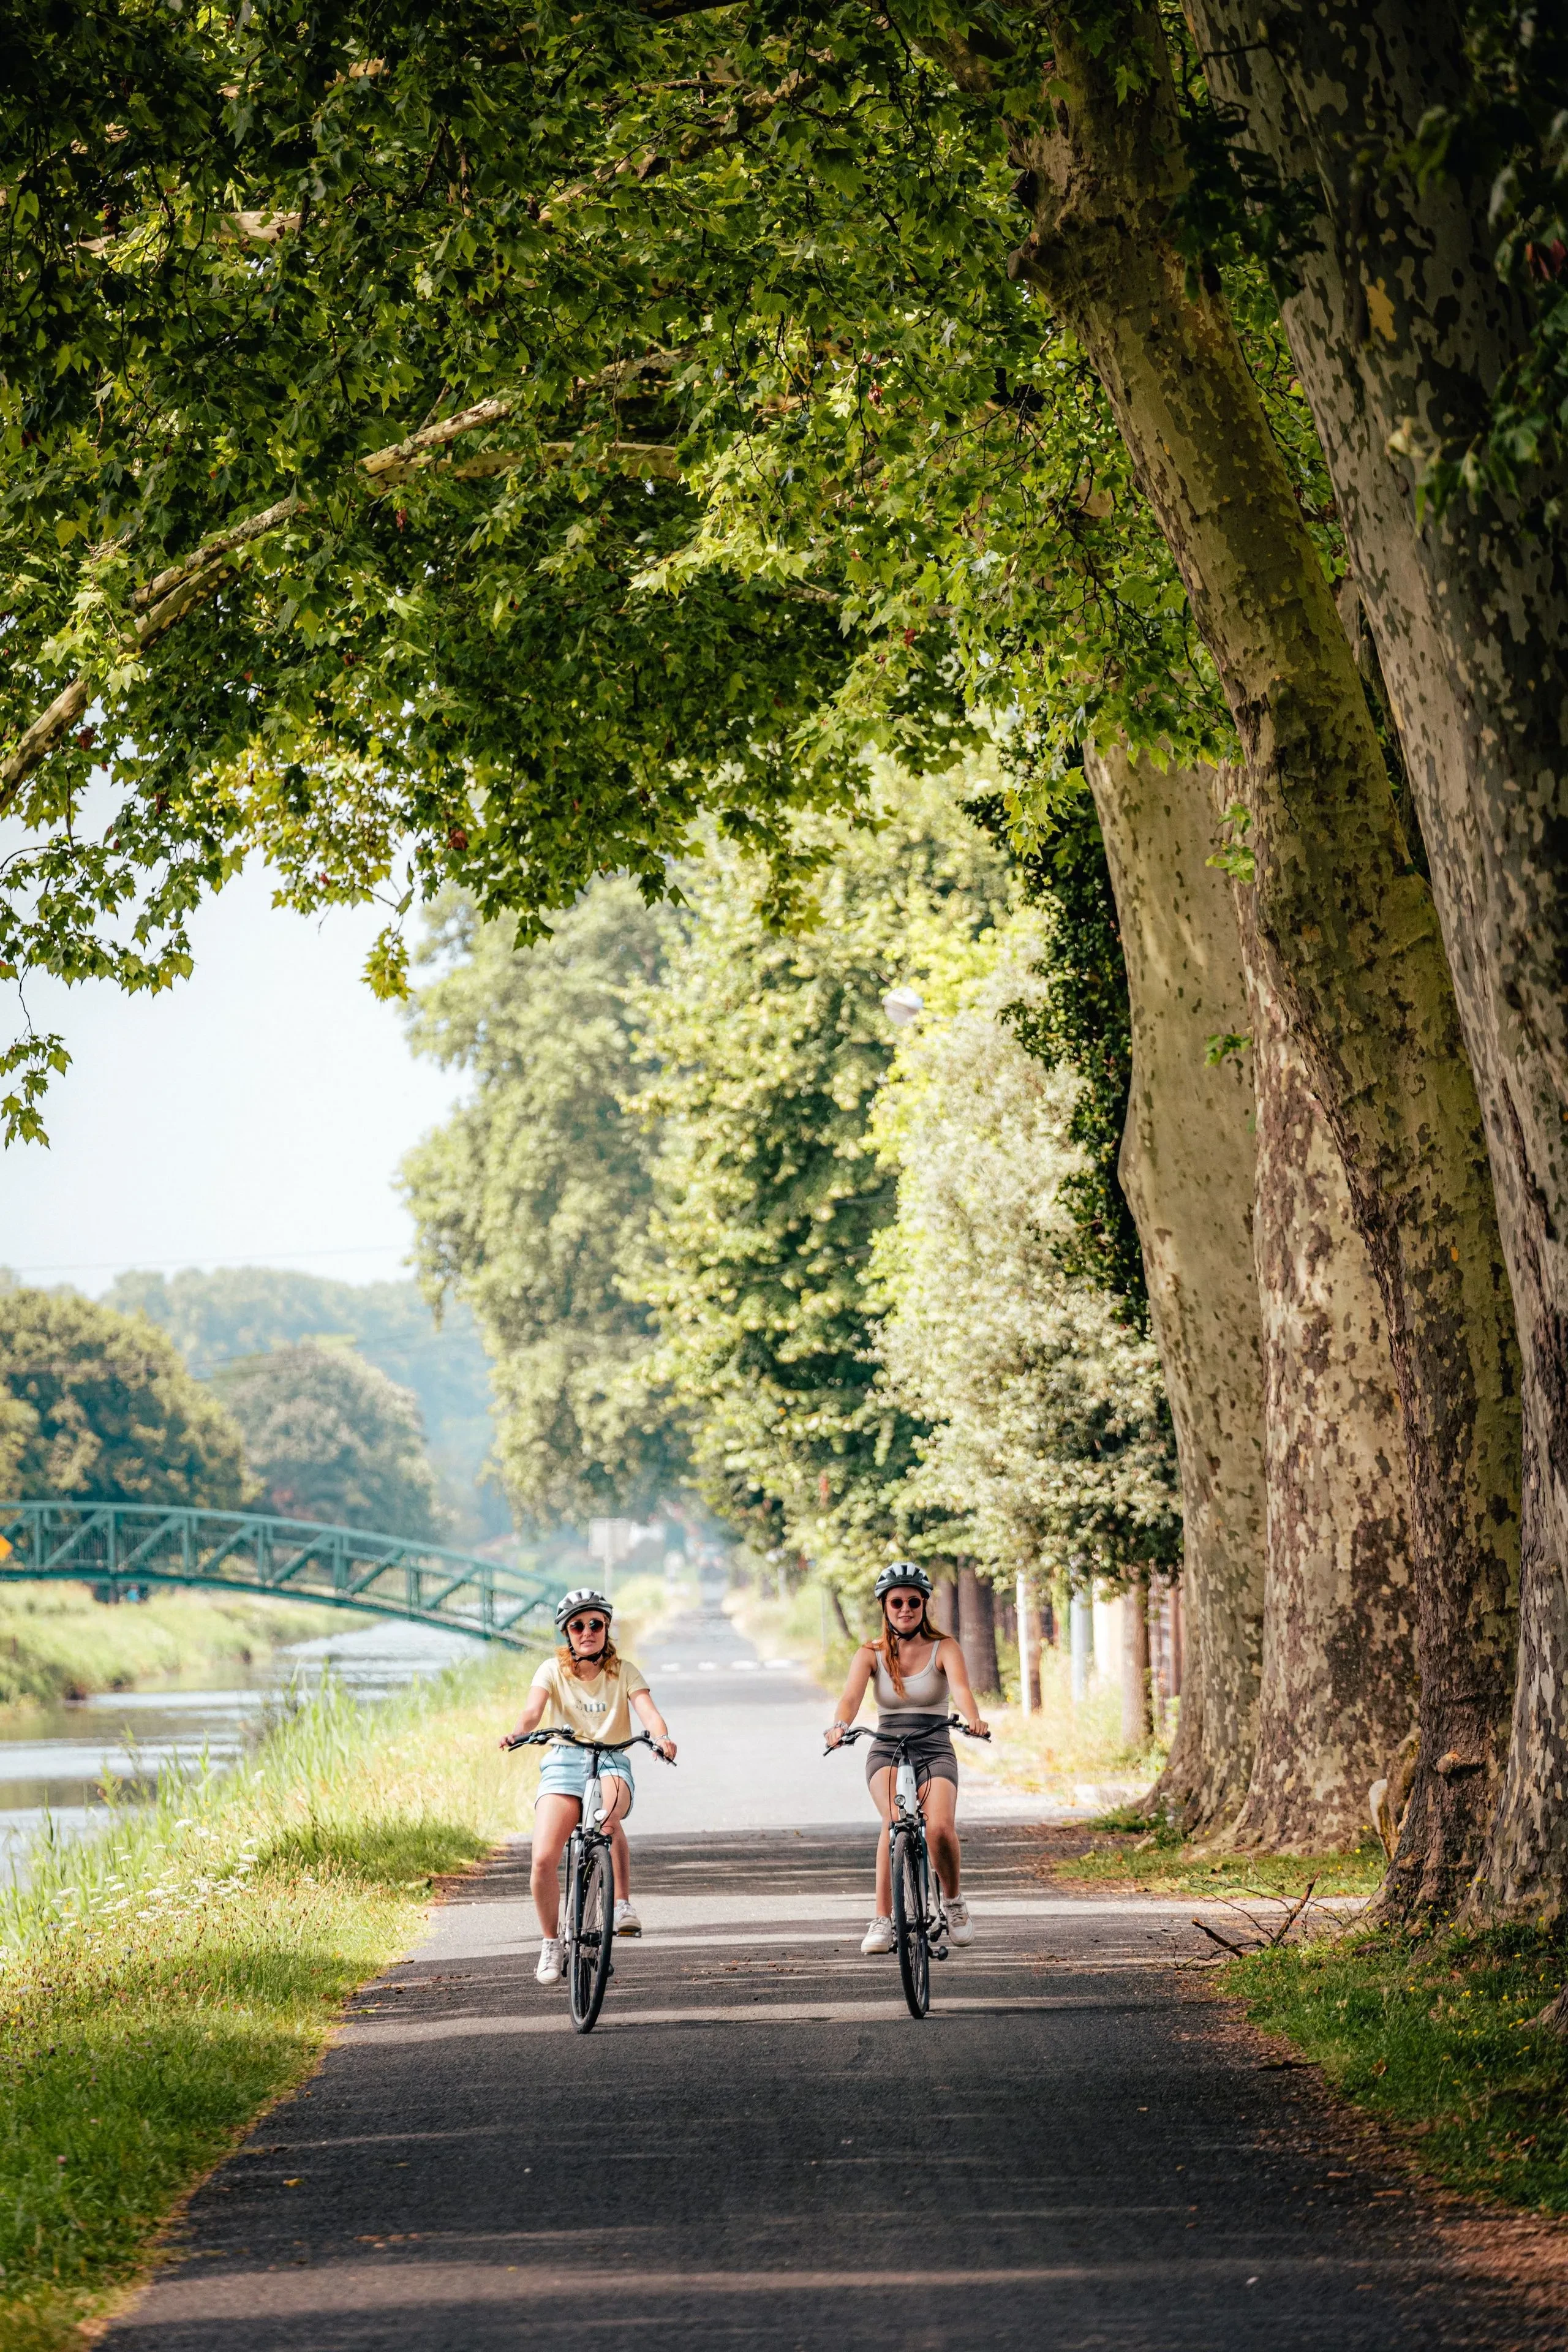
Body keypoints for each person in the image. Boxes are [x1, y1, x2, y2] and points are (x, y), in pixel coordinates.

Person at [502, 1586, 676, 1985]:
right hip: (564, 1763)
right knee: (544, 1857)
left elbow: (649, 1713)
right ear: (567, 1632)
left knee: (608, 1821)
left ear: (606, 1628)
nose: (587, 1632)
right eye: (578, 1625)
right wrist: (518, 1733)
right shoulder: (551, 1670)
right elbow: (532, 1712)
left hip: (612, 1758)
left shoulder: (624, 1671)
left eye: (595, 1624)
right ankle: (551, 1943)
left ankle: (620, 1905)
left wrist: (661, 1738)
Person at [825, 1562, 987, 1954]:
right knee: (894, 1823)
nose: (905, 1609)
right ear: (884, 1606)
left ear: (924, 1604)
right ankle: (883, 1919)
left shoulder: (944, 1647)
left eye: (913, 1601)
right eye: (896, 1601)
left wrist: (974, 1718)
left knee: (940, 1829)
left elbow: (962, 1690)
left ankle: (952, 1902)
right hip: (887, 1747)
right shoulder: (871, 1653)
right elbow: (850, 1697)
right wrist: (839, 1725)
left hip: (934, 1745)